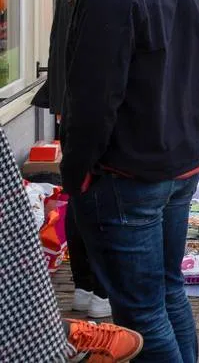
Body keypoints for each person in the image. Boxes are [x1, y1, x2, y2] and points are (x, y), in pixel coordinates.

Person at [63, 0, 199, 363]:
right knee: (168, 291)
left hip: (129, 171)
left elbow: (94, 95)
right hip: (180, 162)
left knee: (140, 309)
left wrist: (77, 172)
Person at [0, 125, 147, 363]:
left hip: (90, 150)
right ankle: (94, 299)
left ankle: (83, 293)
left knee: (82, 211)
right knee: (102, 218)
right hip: (110, 158)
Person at [34, 0, 111, 320]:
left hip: (71, 111)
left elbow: (57, 50)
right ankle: (100, 290)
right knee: (103, 202)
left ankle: (83, 287)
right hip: (97, 113)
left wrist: (61, 104)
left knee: (79, 198)